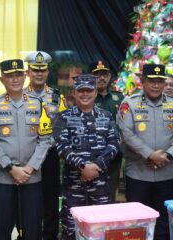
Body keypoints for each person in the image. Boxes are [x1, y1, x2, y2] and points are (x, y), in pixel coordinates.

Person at [0, 59, 51, 240]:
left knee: (33, 228)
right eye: (9, 76)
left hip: (32, 177)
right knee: (2, 229)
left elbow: (45, 140)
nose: (15, 79)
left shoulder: (38, 104)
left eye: (18, 75)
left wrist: (29, 169)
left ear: (25, 76)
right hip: (3, 178)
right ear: (1, 79)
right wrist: (12, 168)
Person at [53, 74, 119, 240]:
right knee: (71, 228)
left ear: (95, 92)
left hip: (100, 184)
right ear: (74, 93)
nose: (84, 94)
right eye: (80, 90)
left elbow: (113, 144)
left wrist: (96, 166)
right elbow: (62, 146)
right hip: (74, 186)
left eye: (88, 90)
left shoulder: (106, 116)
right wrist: (83, 166)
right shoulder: (64, 117)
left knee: (101, 228)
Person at [117, 64, 173, 240]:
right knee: (138, 222)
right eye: (151, 81)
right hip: (138, 174)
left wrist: (167, 155)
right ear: (142, 81)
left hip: (167, 173)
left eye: (159, 81)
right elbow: (126, 134)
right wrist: (151, 154)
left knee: (165, 222)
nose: (156, 85)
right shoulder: (130, 104)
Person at [24, 51, 65, 240]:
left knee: (50, 200)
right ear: (28, 72)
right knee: (27, 202)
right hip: (27, 157)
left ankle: (50, 236)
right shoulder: (19, 96)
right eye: (35, 70)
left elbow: (63, 127)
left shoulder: (57, 97)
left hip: (49, 156)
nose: (39, 74)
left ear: (48, 72)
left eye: (43, 70)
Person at [89, 60, 124, 202]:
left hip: (113, 157)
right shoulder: (86, 98)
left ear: (109, 77)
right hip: (92, 156)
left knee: (109, 196)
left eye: (104, 74)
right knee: (91, 195)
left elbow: (125, 125)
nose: (101, 78)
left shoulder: (119, 98)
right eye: (97, 75)